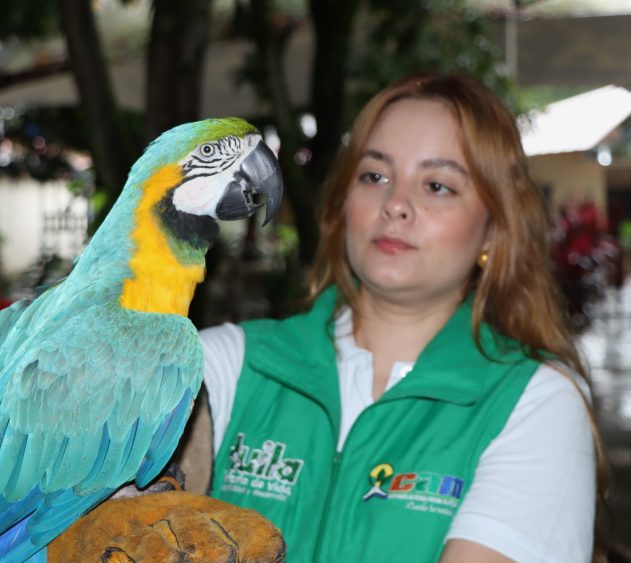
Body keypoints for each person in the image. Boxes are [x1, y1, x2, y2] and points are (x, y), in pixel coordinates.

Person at [200, 73, 602, 562]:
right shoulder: (223, 364)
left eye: (437, 185)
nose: (395, 205)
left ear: (494, 230)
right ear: (343, 204)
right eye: (375, 176)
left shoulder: (534, 403)